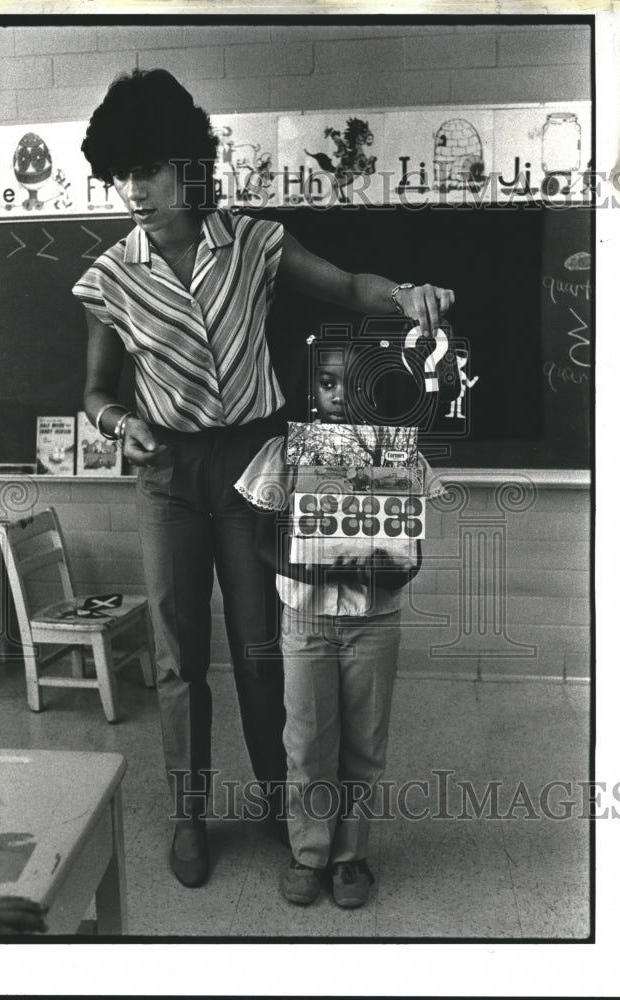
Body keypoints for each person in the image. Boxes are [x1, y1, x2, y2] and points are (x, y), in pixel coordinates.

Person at [73, 68, 454, 889]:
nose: (133, 190)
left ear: (187, 166)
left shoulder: (252, 241)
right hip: (168, 476)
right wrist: (119, 425)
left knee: (259, 650)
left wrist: (407, 294)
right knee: (178, 658)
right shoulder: (110, 275)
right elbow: (96, 392)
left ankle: (286, 807)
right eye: (120, 173)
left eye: (148, 169)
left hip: (256, 466)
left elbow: (353, 287)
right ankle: (187, 813)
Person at [235, 342, 447, 908]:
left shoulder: (401, 458)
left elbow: (412, 557)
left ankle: (351, 857)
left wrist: (389, 570)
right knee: (305, 743)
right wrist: (314, 565)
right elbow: (260, 542)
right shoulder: (285, 453)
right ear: (312, 389)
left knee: (365, 746)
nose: (339, 396)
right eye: (328, 383)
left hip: (374, 622)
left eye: (354, 385)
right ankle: (309, 853)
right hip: (305, 619)